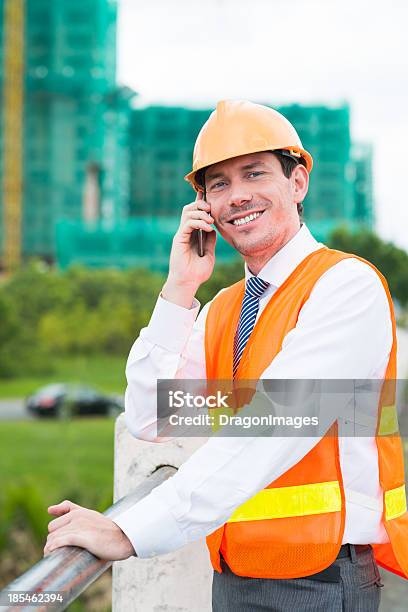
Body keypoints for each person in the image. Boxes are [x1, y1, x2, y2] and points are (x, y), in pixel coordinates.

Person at [44, 100, 408, 611]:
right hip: (235, 574)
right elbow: (151, 417)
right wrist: (179, 290)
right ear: (204, 205)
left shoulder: (346, 286)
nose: (237, 197)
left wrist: (131, 531)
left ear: (298, 181)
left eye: (254, 174)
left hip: (321, 579)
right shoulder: (222, 310)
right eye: (218, 184)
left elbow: (278, 420)